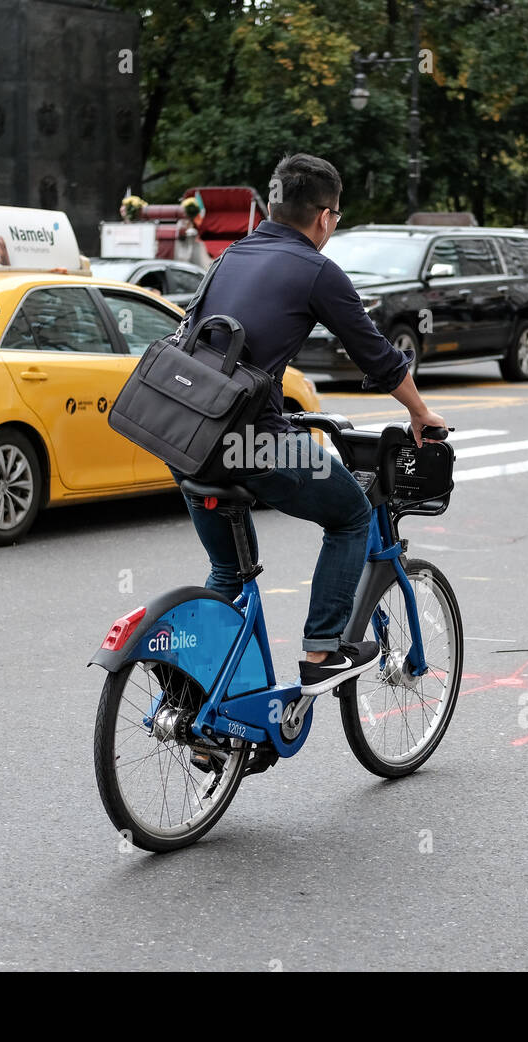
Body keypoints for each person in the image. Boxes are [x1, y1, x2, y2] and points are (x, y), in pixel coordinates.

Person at [175, 152, 446, 693]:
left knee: (229, 574)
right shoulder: (317, 270)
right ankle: (323, 650)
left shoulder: (232, 254)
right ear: (324, 217)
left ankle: (199, 711)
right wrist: (421, 412)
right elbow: (377, 356)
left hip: (184, 437)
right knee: (350, 513)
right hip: (252, 443)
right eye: (337, 218)